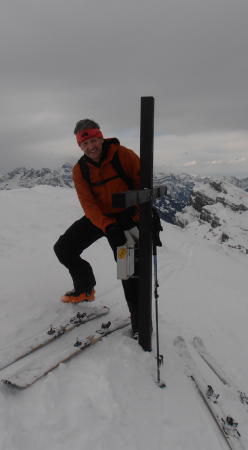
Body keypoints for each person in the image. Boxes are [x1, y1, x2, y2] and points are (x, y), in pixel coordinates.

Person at [54, 119, 141, 334]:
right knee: (64, 248)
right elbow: (88, 204)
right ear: (80, 146)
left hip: (127, 218)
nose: (90, 147)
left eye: (93, 140)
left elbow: (142, 186)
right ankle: (84, 289)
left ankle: (139, 321)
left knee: (128, 271)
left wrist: (136, 218)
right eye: (85, 144)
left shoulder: (124, 155)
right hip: (100, 218)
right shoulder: (80, 170)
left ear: (101, 138)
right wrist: (107, 226)